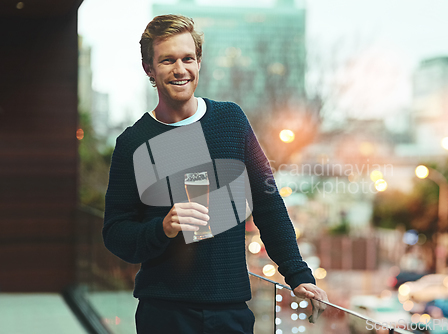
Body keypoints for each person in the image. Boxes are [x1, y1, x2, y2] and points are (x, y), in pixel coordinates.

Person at [103, 14, 328, 334]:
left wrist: (299, 277)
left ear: (198, 63)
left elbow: (268, 204)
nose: (180, 69)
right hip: (164, 312)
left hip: (230, 309)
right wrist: (162, 228)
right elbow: (115, 233)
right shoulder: (133, 143)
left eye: (187, 59)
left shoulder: (231, 121)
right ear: (149, 69)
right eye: (167, 60)